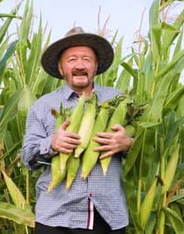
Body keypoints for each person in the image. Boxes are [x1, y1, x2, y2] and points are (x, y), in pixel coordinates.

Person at [21, 27, 134, 234]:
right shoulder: (43, 106)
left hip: (108, 215)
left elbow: (144, 151)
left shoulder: (120, 101)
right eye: (72, 59)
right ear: (61, 68)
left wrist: (127, 144)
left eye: (86, 59)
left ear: (96, 66)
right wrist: (52, 144)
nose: (80, 65)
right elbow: (28, 159)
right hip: (56, 217)